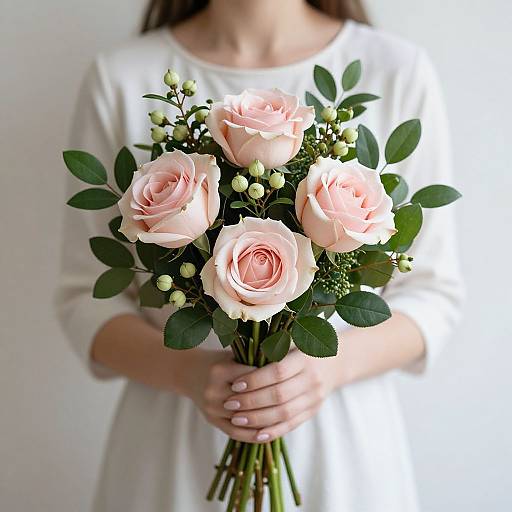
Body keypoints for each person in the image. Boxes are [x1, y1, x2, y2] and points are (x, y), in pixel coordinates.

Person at [56, 1, 464, 510]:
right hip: (172, 448)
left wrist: (324, 372)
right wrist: (188, 375)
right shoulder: (120, 75)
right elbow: (83, 299)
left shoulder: (397, 69)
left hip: (340, 452)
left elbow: (432, 293)